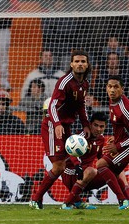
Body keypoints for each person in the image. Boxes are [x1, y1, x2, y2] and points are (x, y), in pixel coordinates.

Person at [29, 50, 92, 209]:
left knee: (72, 163)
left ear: (87, 65)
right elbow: (52, 105)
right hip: (52, 125)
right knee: (59, 166)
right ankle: (35, 199)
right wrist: (56, 124)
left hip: (66, 126)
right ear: (71, 64)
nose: (80, 64)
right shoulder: (65, 82)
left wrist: (86, 124)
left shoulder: (84, 83)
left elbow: (81, 105)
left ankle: (75, 200)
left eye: (83, 61)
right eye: (76, 61)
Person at [61, 111, 129, 210]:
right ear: (90, 124)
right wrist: (77, 165)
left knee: (117, 169)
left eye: (101, 127)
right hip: (71, 174)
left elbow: (101, 158)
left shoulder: (101, 139)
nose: (98, 129)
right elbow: (71, 153)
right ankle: (67, 203)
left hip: (86, 176)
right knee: (91, 171)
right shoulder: (81, 136)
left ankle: (125, 200)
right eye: (95, 125)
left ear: (105, 127)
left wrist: (112, 157)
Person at [95, 75, 129, 209]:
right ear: (106, 88)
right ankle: (125, 200)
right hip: (121, 142)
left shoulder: (125, 109)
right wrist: (116, 137)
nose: (112, 90)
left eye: (116, 87)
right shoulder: (112, 101)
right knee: (112, 172)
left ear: (122, 89)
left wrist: (118, 145)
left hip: (126, 147)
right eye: (110, 87)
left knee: (101, 165)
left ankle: (122, 200)